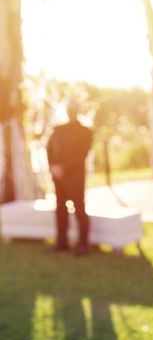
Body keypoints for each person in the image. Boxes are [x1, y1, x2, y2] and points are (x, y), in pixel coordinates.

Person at [46, 99, 93, 256]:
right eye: (69, 108)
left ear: (78, 110)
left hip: (75, 177)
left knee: (79, 209)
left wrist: (64, 168)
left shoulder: (85, 131)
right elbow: (49, 149)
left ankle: (83, 244)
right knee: (60, 209)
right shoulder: (58, 130)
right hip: (58, 177)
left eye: (73, 108)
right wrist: (53, 167)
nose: (71, 111)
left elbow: (82, 155)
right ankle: (62, 241)